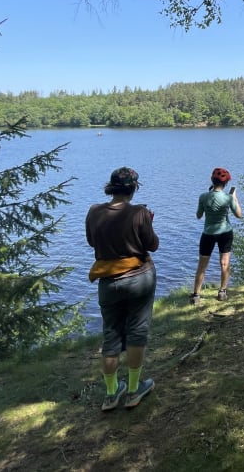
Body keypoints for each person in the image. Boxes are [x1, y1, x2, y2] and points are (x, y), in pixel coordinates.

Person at [85, 167, 159, 411]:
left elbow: (91, 241)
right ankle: (135, 389)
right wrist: (148, 223)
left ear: (112, 187)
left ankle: (111, 394)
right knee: (137, 331)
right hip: (139, 279)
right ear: (133, 187)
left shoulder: (94, 212)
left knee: (111, 336)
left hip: (107, 282)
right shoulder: (139, 213)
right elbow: (153, 245)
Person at [191, 167, 242, 305]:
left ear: (212, 181)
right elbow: (239, 215)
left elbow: (198, 215)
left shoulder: (203, 196)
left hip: (208, 233)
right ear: (226, 183)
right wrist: (234, 198)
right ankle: (222, 292)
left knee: (202, 265)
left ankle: (196, 296)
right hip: (225, 233)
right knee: (224, 263)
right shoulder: (228, 198)